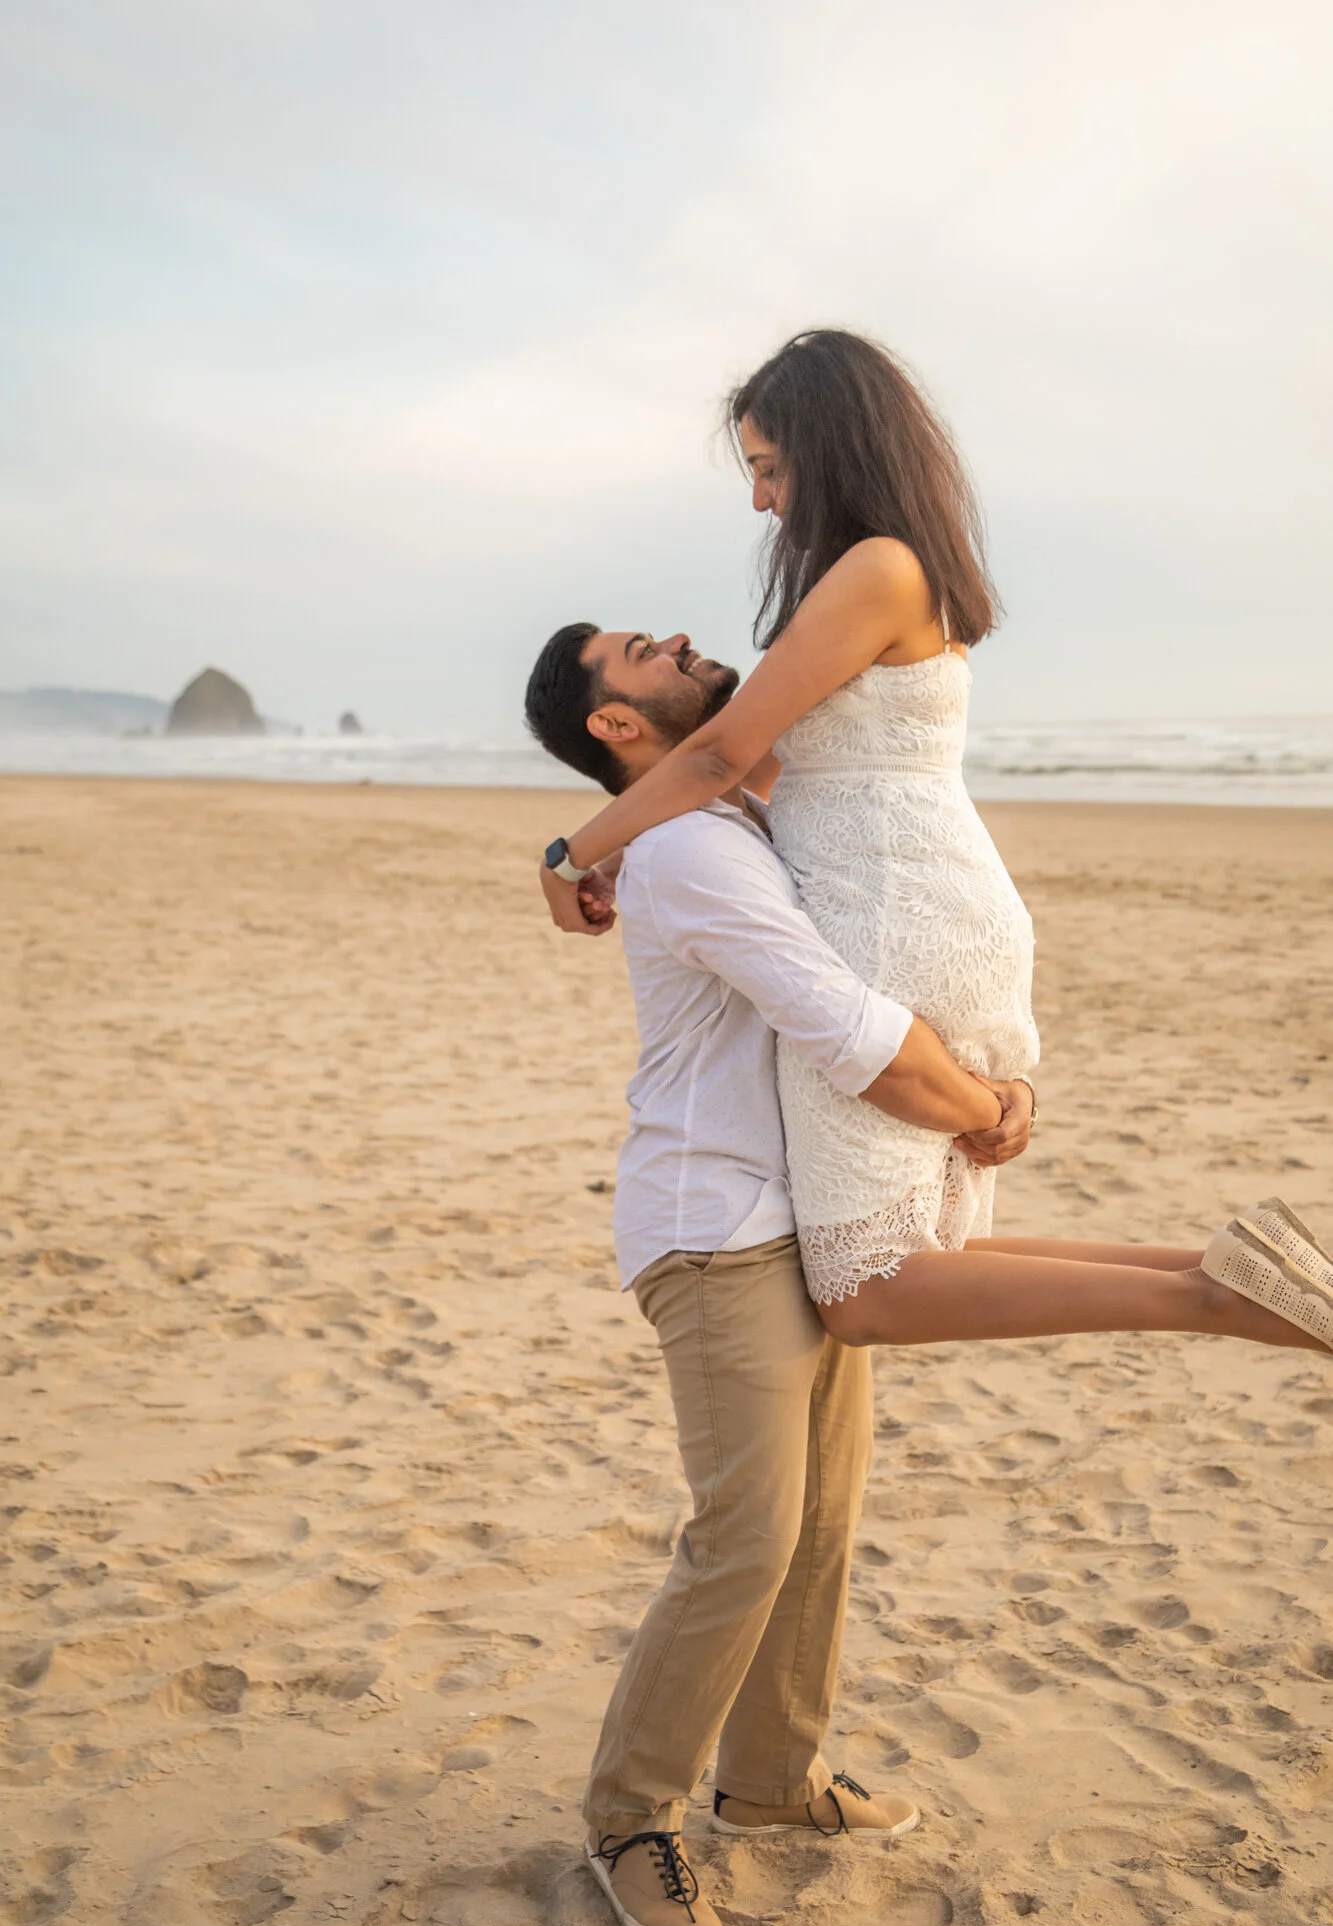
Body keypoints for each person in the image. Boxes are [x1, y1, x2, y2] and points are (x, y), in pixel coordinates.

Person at [523, 620, 1333, 1926]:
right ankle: (627, 1817)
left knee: (823, 1525)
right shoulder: (687, 852)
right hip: (715, 1225)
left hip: (802, 1210)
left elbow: (829, 793)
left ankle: (773, 1780)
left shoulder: (716, 820)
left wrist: (565, 851)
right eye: (637, 650)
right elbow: (839, 1021)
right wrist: (984, 1110)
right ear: (615, 724)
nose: (677, 637)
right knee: (747, 1535)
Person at [533, 331, 1333, 1358]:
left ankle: (1215, 1298)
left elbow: (720, 756)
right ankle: (1223, 1268)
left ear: (827, 448)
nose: (760, 499)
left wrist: (568, 857)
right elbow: (783, 774)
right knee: (915, 1251)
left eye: (768, 467)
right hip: (928, 896)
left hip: (894, 913)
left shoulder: (875, 569)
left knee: (872, 1289)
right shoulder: (892, 571)